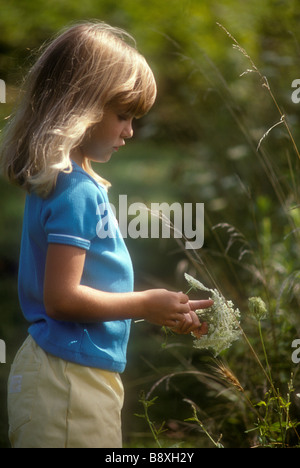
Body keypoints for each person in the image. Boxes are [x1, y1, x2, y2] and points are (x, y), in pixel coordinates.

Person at [0, 21, 213, 448]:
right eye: (123, 116)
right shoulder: (75, 190)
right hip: (68, 384)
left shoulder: (67, 181)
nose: (130, 132)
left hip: (67, 375)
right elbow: (62, 299)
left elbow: (86, 291)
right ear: (81, 106)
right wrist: (144, 304)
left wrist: (158, 309)